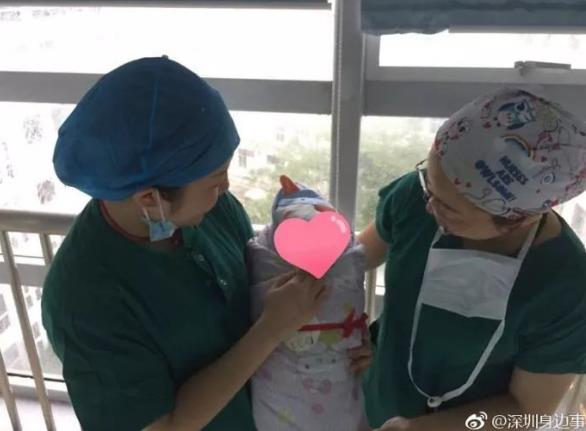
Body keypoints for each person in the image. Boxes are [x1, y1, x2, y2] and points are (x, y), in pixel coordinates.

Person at [41, 56, 331, 431]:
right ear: (150, 200)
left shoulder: (213, 211)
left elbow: (255, 292)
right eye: (216, 178)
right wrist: (270, 330)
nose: (226, 188)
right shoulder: (84, 302)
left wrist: (332, 344)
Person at [358, 88, 586, 430]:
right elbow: (353, 260)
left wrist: (421, 429)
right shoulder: (414, 199)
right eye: (428, 182)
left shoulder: (567, 289)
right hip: (373, 403)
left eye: (449, 208)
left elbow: (527, 410)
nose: (428, 206)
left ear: (518, 219)